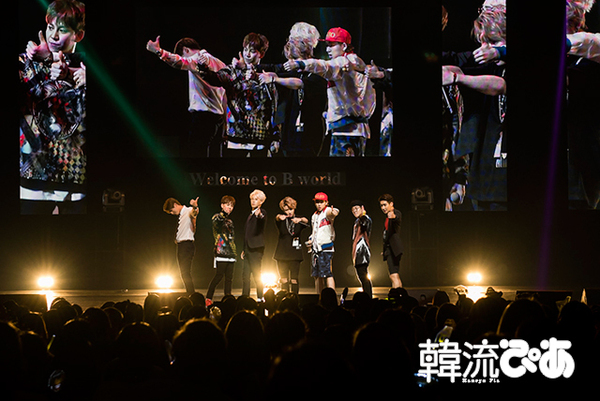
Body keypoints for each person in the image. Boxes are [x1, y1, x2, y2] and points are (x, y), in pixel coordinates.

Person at [19, 0, 86, 214]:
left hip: (73, 172)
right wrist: (36, 59)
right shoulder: (28, 61)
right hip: (34, 172)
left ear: (78, 35)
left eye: (62, 30)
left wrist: (65, 70)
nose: (53, 36)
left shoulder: (86, 67)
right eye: (50, 27)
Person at [284, 27, 376, 157]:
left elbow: (325, 66)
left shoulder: (343, 62)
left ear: (344, 46)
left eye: (332, 45)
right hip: (356, 130)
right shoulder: (356, 62)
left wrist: (302, 64)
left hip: (346, 132)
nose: (327, 49)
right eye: (327, 45)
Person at [197, 33, 278, 157]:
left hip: (260, 137)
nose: (247, 54)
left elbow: (273, 107)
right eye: (245, 50)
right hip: (235, 137)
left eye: (252, 51)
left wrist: (276, 136)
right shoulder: (232, 71)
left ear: (261, 54)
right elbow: (214, 78)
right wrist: (203, 67)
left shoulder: (267, 76)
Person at [146, 36, 227, 157]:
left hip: (203, 117)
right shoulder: (220, 63)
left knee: (196, 155)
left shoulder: (197, 58)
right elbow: (225, 95)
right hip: (218, 118)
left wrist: (158, 51)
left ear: (186, 50)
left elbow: (178, 62)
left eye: (183, 55)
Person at [163, 197, 199, 294]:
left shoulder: (187, 210)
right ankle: (190, 293)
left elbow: (194, 213)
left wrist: (195, 206)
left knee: (185, 272)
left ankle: (191, 294)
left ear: (175, 205)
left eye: (171, 210)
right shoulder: (182, 215)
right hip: (182, 245)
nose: (172, 213)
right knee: (184, 273)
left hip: (186, 245)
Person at [273, 196, 309, 294]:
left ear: (294, 208)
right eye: (286, 210)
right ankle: (283, 299)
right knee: (283, 279)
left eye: (290, 209)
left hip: (295, 254)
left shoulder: (298, 220)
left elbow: (306, 221)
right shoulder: (282, 220)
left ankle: (295, 299)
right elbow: (276, 218)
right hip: (282, 253)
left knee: (294, 279)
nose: (289, 212)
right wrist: (279, 216)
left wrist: (300, 219)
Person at [206, 195, 237, 305]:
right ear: (222, 205)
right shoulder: (217, 217)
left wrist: (234, 251)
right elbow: (218, 222)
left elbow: (232, 237)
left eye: (231, 206)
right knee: (219, 276)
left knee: (229, 278)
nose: (230, 208)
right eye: (227, 205)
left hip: (231, 252)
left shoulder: (230, 221)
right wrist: (223, 214)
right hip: (221, 251)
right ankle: (208, 297)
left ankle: (228, 298)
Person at [309, 192, 339, 293]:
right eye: (317, 202)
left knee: (327, 273)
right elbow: (314, 231)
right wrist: (311, 240)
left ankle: (331, 297)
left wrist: (334, 212)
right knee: (317, 275)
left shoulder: (327, 211)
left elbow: (333, 212)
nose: (319, 204)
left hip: (326, 248)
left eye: (321, 202)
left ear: (326, 202)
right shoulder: (314, 215)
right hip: (316, 249)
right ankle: (319, 297)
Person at [241, 190, 267, 300]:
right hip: (248, 249)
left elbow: (261, 218)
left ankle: (260, 297)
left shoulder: (261, 212)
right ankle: (245, 297)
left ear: (261, 201)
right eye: (252, 199)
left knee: (257, 274)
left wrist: (259, 215)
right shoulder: (250, 215)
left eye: (256, 199)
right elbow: (247, 233)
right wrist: (244, 249)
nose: (253, 201)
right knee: (245, 275)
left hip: (256, 249)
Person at [378, 194, 403, 289]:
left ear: (391, 204)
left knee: (393, 275)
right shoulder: (387, 217)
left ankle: (397, 295)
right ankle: (399, 295)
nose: (383, 208)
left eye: (385, 205)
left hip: (394, 249)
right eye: (381, 205)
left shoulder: (395, 213)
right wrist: (384, 250)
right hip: (390, 249)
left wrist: (392, 216)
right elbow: (387, 236)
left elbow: (396, 217)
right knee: (394, 274)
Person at [350, 200, 373, 298]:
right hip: (358, 252)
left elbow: (364, 225)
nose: (355, 211)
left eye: (356, 208)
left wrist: (363, 215)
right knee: (362, 276)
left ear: (362, 208)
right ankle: (367, 296)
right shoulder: (357, 221)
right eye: (353, 210)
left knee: (363, 275)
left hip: (362, 251)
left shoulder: (365, 219)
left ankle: (368, 297)